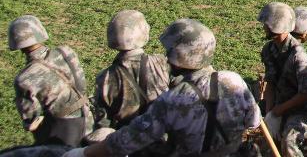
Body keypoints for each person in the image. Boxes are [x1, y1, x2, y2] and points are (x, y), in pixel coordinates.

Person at [65, 18, 260, 157]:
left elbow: (129, 140)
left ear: (180, 55)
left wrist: (83, 153)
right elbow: (254, 120)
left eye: (170, 51)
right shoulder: (234, 80)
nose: (166, 57)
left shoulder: (174, 100)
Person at [8, 15, 94, 145]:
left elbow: (31, 120)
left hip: (64, 130)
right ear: (40, 31)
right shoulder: (65, 51)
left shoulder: (24, 79)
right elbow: (80, 81)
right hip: (89, 115)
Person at [258, 3, 307, 156]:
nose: (263, 27)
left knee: (289, 143)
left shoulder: (300, 57)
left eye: (266, 24)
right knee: (265, 146)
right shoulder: (268, 50)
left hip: (300, 109)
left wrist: (279, 110)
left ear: (276, 26)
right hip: (279, 105)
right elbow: (271, 82)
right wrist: (270, 113)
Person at [93, 11, 170, 130]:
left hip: (125, 138)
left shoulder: (105, 77)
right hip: (160, 135)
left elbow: (103, 121)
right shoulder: (160, 63)